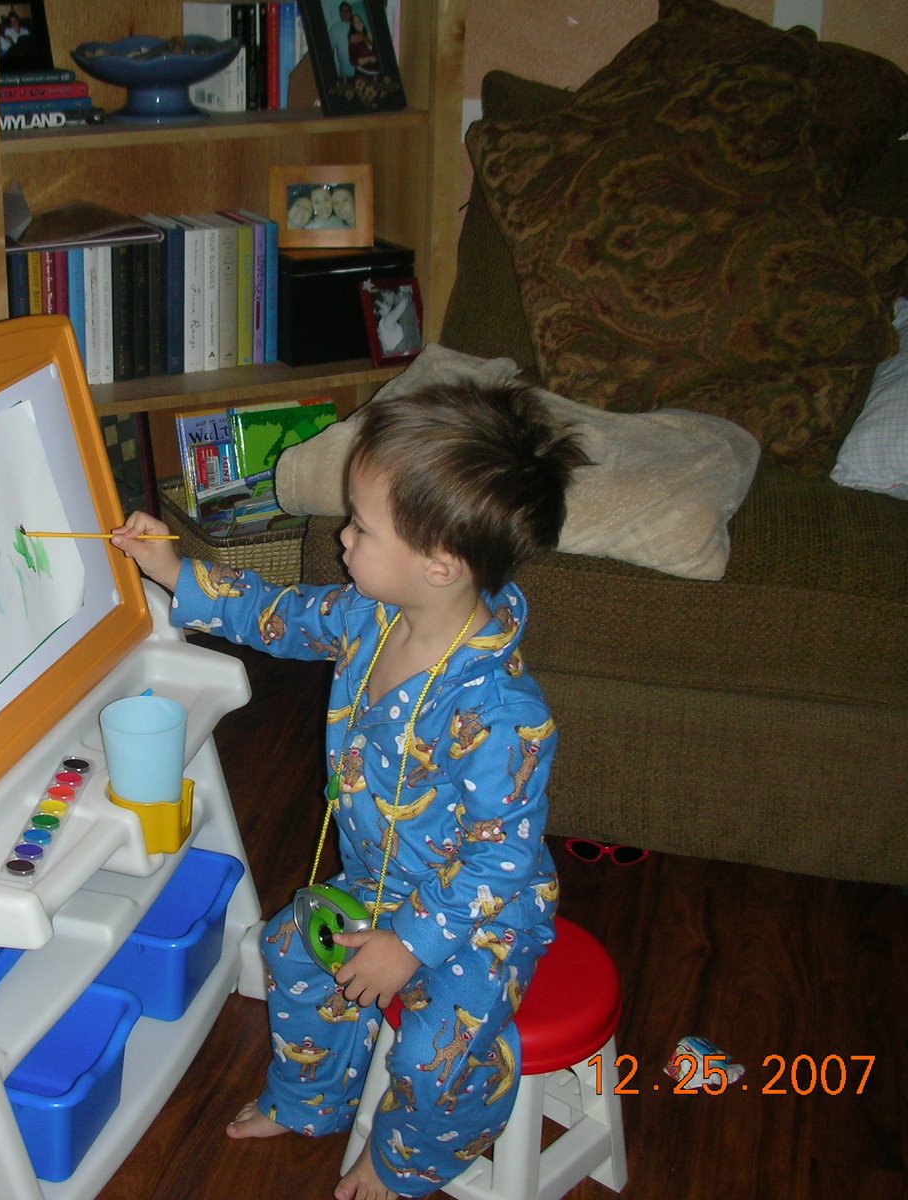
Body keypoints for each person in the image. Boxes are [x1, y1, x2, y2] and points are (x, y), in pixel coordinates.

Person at [111, 380, 588, 1200]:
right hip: (380, 882)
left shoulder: (502, 715)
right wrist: (172, 570)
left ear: (439, 564)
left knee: (434, 1051)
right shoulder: (371, 614)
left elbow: (499, 863)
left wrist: (411, 945)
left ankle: (409, 1160)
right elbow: (275, 613)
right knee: (289, 948)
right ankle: (312, 1099)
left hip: (480, 917)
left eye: (362, 528)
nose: (341, 537)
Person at [327, 1, 356, 77]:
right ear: (340, 13)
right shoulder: (334, 29)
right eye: (342, 11)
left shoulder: (358, 26)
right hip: (345, 74)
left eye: (347, 11)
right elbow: (330, 52)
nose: (345, 13)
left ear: (351, 12)